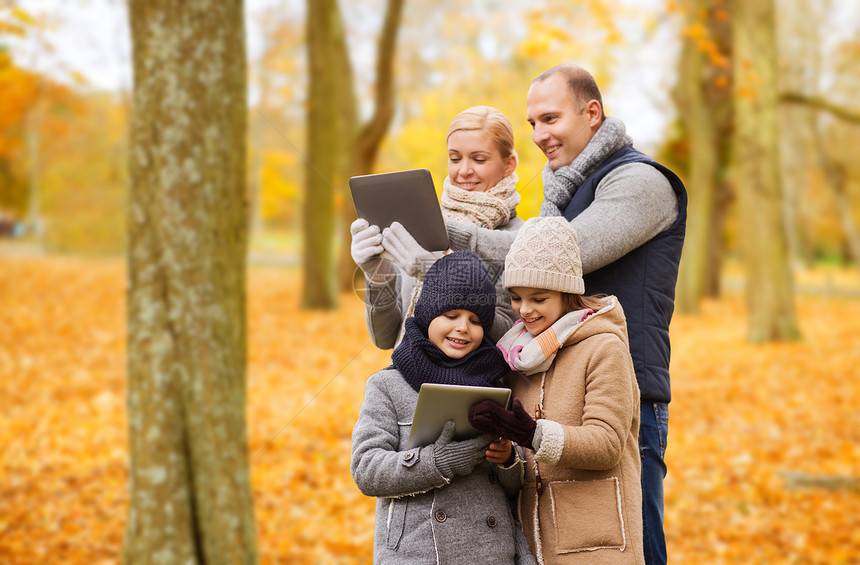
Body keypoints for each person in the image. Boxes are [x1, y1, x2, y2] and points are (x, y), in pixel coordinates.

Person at [438, 65, 686, 565]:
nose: (539, 135)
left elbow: (555, 255)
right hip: (549, 398)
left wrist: (445, 233)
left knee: (629, 544)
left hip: (622, 396)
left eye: (549, 118)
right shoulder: (563, 193)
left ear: (591, 113)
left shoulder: (640, 182)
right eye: (531, 123)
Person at [469, 217, 644, 564]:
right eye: (516, 298)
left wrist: (531, 433)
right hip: (535, 545)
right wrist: (507, 458)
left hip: (599, 544)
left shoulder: (604, 349)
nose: (525, 310)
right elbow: (528, 462)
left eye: (539, 297)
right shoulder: (520, 358)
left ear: (567, 293)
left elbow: (607, 445)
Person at [351, 250, 537, 565]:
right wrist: (437, 461)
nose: (463, 327)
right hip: (417, 553)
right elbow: (366, 470)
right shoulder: (387, 386)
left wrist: (506, 460)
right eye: (451, 315)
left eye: (476, 320)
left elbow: (513, 487)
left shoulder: (496, 383)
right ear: (427, 315)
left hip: (492, 553)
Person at [350, 105, 524, 349]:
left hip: (478, 384)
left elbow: (508, 335)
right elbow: (386, 338)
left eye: (479, 159)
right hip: (407, 379)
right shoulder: (422, 227)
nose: (463, 170)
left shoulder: (519, 238)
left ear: (509, 164)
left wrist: (437, 276)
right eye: (455, 158)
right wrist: (378, 274)